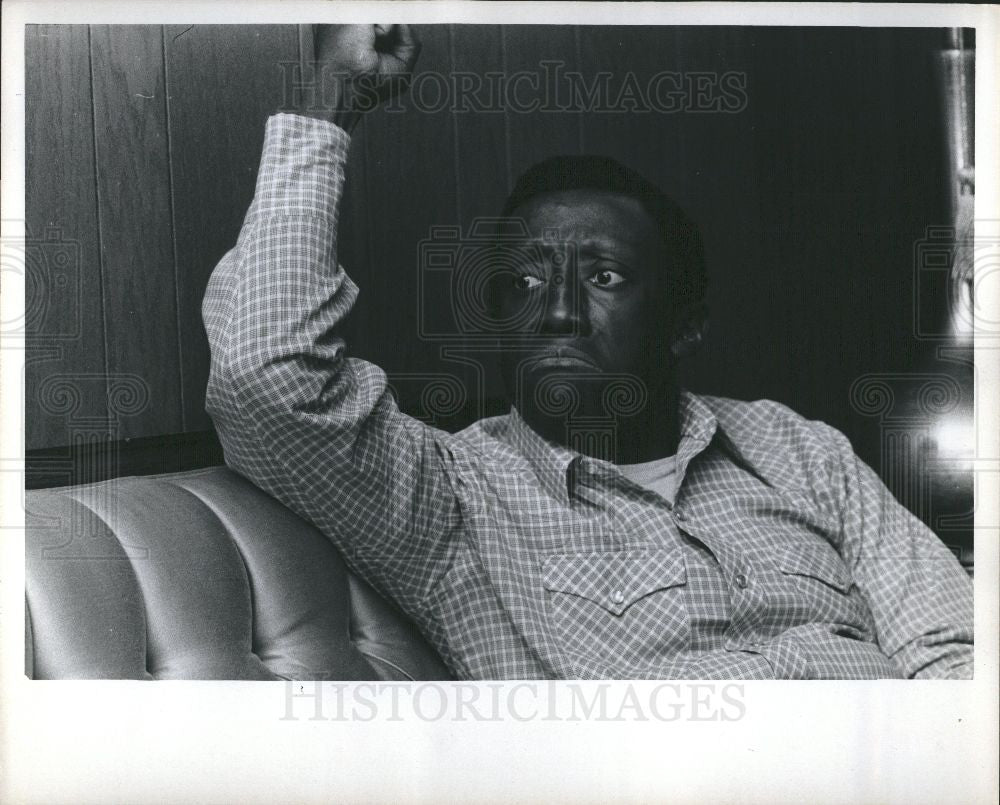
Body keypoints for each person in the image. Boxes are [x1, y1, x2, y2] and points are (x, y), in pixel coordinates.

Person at [203, 24, 973, 679]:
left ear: (685, 325)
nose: (560, 311)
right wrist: (334, 99)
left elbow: (953, 647)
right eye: (526, 280)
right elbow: (264, 377)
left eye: (603, 276)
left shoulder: (802, 453)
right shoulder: (451, 502)